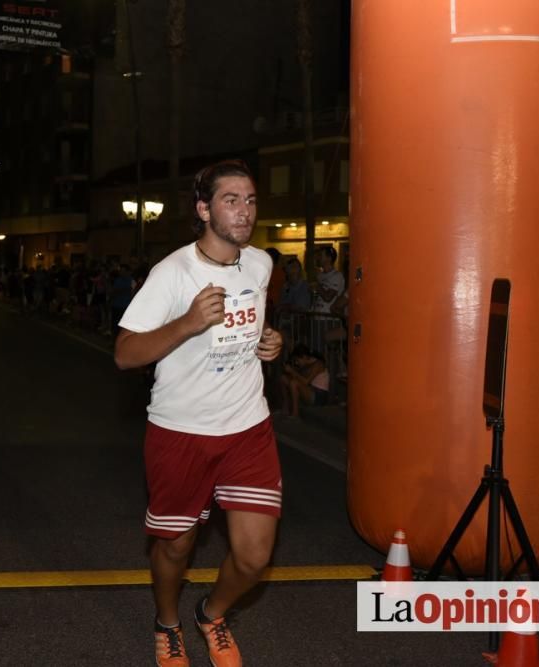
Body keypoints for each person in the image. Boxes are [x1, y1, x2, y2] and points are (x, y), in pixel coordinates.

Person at [114, 160, 284, 667]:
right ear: (204, 209)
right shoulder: (172, 273)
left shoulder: (260, 264)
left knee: (254, 556)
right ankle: (167, 622)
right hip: (180, 432)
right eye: (231, 199)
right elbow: (124, 353)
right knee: (175, 548)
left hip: (247, 427)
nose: (245, 210)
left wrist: (270, 342)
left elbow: (253, 327)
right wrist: (187, 323)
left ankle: (211, 614)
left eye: (250, 200)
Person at [280, 344, 330, 417]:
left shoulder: (318, 364)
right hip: (310, 391)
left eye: (297, 360)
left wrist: (292, 371)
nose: (297, 363)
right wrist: (291, 371)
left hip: (319, 396)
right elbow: (299, 377)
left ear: (304, 357)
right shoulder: (305, 365)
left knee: (294, 383)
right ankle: (286, 408)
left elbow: (306, 382)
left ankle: (295, 413)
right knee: (283, 378)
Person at [310, 245, 344, 314]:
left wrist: (317, 286)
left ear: (329, 258)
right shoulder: (319, 275)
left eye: (320, 255)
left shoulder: (337, 276)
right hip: (317, 316)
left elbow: (328, 297)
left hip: (329, 318)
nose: (318, 258)